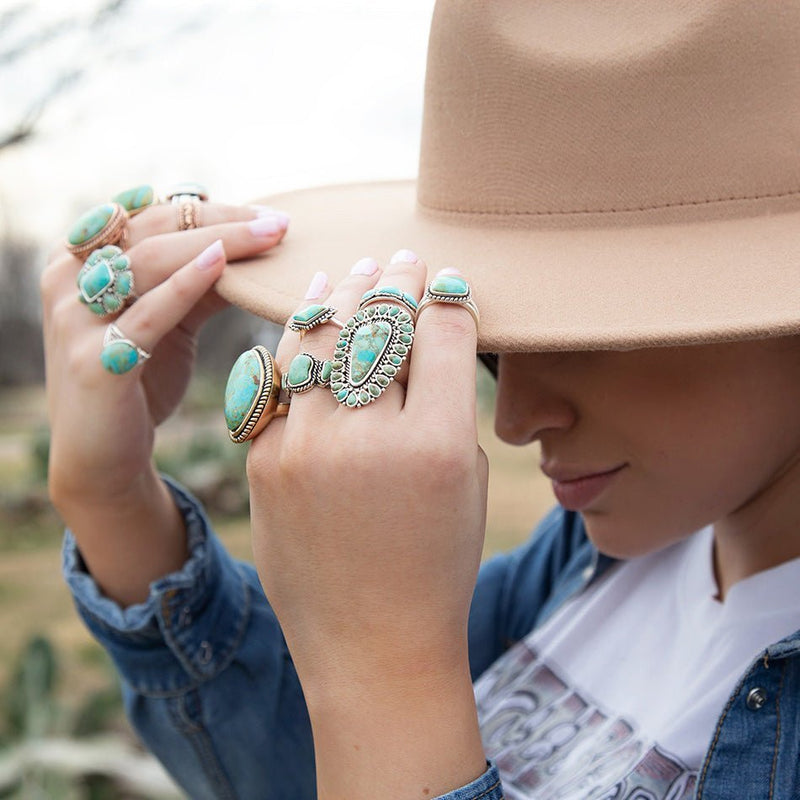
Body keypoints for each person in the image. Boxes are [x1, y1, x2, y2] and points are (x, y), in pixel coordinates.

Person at [41, 1, 800, 798]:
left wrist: (382, 673)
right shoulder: (586, 560)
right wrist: (112, 499)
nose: (511, 422)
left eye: (589, 332)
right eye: (499, 345)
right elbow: (305, 766)